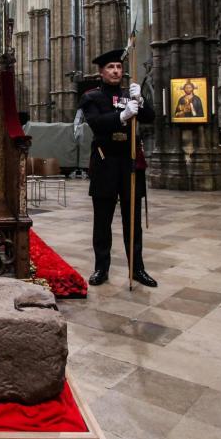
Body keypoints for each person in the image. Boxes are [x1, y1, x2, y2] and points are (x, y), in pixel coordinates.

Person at [80, 48, 156, 288]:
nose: (116, 71)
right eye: (110, 67)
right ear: (101, 72)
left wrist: (141, 101)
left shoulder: (129, 94)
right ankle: (101, 268)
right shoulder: (92, 97)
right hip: (105, 162)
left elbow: (150, 117)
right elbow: (96, 124)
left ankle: (137, 268)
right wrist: (122, 116)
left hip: (129, 163)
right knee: (102, 221)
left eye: (119, 67)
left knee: (131, 220)